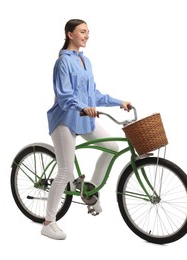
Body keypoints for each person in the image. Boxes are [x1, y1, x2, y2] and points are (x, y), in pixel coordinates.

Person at [41, 19, 132, 240]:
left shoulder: (85, 60)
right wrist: (83, 107)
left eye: (88, 32)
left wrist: (118, 102)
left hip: (83, 119)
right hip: (64, 119)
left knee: (112, 146)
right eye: (83, 31)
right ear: (69, 34)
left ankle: (89, 187)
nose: (87, 35)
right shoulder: (62, 62)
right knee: (65, 171)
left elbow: (94, 95)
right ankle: (48, 222)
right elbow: (64, 97)